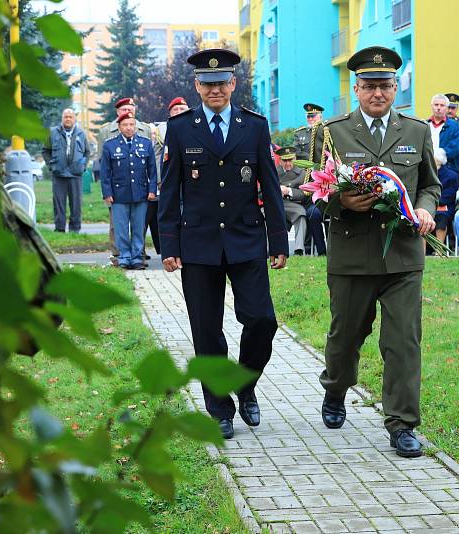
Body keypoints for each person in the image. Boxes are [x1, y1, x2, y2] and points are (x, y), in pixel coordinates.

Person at [311, 45, 440, 458]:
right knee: (345, 339)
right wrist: (340, 203)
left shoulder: (417, 131)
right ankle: (335, 388)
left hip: (403, 255)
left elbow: (430, 185)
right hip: (352, 256)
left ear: (396, 87)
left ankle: (402, 424)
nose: (377, 94)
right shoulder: (331, 132)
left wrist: (424, 208)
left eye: (385, 86)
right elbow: (316, 190)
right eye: (369, 87)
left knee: (403, 342)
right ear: (356, 88)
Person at [158, 48, 288, 440]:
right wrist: (168, 245)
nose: (215, 89)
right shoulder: (180, 129)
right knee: (206, 329)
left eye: (222, 83)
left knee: (263, 320)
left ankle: (245, 383)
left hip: (246, 238)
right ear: (197, 85)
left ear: (234, 84)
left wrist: (278, 239)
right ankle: (219, 408)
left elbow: (269, 186)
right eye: (207, 83)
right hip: (197, 242)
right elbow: (169, 191)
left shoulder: (255, 126)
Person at [96, 97, 154, 266]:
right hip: (118, 194)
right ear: (119, 127)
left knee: (138, 228)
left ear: (135, 126)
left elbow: (152, 170)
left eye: (131, 125)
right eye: (125, 125)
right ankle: (124, 257)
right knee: (121, 230)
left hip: (140, 193)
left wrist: (151, 189)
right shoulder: (110, 145)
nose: (129, 128)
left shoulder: (145, 144)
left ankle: (137, 258)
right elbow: (105, 172)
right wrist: (107, 193)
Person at [146, 97, 189, 260]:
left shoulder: (195, 127)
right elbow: (157, 156)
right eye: (175, 109)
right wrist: (159, 178)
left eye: (182, 109)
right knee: (171, 214)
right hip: (169, 180)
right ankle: (171, 250)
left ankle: (186, 249)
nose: (179, 112)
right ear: (170, 113)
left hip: (191, 182)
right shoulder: (162, 130)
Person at [42, 108, 91, 232]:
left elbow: (87, 152)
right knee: (58, 204)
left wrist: (82, 166)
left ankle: (75, 230)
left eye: (70, 117)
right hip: (59, 174)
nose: (68, 119)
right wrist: (51, 166)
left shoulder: (81, 133)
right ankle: (59, 229)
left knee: (76, 205)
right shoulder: (53, 132)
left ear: (74, 119)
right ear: (62, 118)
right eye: (66, 117)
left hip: (76, 175)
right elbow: (45, 151)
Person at [276, 146, 310, 255]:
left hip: (294, 204)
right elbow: (261, 193)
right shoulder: (273, 172)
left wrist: (289, 191)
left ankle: (299, 249)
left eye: (290, 160)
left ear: (295, 159)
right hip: (277, 204)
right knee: (270, 216)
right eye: (285, 160)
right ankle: (277, 249)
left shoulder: (302, 173)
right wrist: (277, 190)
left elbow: (306, 194)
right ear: (280, 161)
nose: (288, 164)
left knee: (301, 214)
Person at [426, 94, 459, 172]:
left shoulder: (454, 126)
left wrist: (438, 157)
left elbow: (455, 148)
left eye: (442, 105)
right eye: (436, 105)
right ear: (432, 106)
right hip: (427, 168)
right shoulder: (424, 125)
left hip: (447, 169)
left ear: (446, 108)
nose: (438, 108)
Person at [432, 147, 459, 248]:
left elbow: (449, 196)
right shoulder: (428, 173)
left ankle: (439, 249)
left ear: (438, 161)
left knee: (441, 217)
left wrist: (431, 201)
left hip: (445, 206)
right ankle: (423, 251)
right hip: (431, 205)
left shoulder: (451, 176)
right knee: (423, 217)